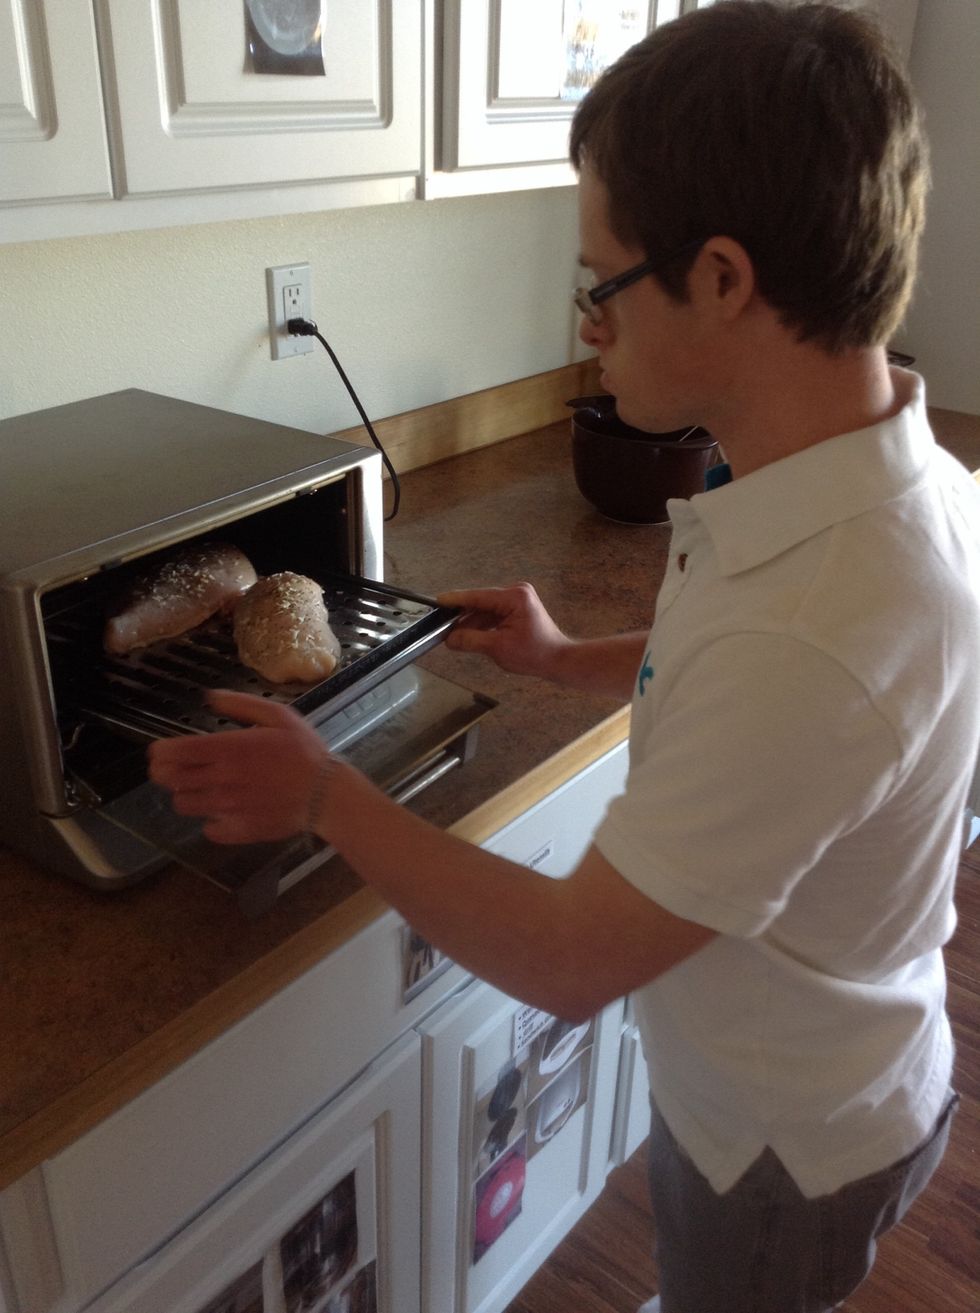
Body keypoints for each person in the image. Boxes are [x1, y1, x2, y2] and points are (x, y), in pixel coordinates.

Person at [148, 3, 980, 1310]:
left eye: (603, 280)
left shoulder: (818, 618)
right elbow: (741, 675)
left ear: (722, 276)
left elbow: (569, 959)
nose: (590, 321)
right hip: (853, 1049)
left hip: (782, 1140)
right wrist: (565, 654)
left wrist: (325, 794)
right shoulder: (885, 481)